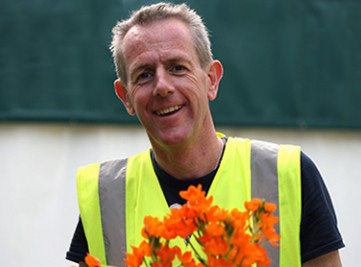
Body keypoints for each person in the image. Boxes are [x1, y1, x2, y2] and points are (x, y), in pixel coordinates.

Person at [66, 2, 344, 267]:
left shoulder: (289, 174)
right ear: (125, 97)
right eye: (144, 75)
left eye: (177, 67)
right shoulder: (104, 197)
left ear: (211, 80)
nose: (162, 86)